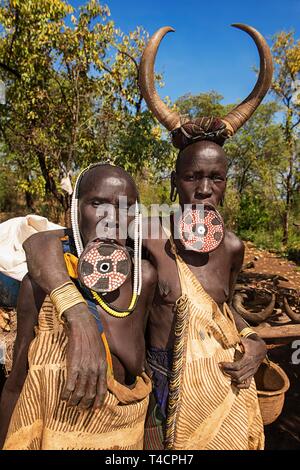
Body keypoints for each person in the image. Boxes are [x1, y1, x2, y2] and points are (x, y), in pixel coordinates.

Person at [17, 23, 272, 450]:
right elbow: (43, 243)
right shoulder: (148, 230)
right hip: (157, 388)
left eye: (216, 178)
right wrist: (76, 314)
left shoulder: (231, 247)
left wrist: (253, 340)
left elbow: (224, 312)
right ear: (176, 182)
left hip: (216, 387)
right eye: (192, 177)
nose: (205, 189)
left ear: (228, 183)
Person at [0, 164, 156, 450]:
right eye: (97, 203)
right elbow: (15, 385)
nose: (111, 219)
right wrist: (80, 317)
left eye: (125, 207)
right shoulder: (38, 289)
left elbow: (152, 371)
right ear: (75, 212)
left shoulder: (143, 280)